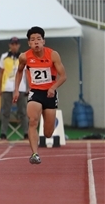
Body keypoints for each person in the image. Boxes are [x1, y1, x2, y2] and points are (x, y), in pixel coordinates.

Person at [13, 26, 68, 164]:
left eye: (38, 39)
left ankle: (46, 123)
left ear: (43, 41)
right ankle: (34, 154)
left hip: (50, 94)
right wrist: (16, 90)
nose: (36, 42)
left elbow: (63, 76)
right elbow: (19, 72)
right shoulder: (24, 57)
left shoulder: (53, 55)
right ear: (29, 43)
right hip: (35, 92)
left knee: (48, 133)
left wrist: (53, 87)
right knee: (32, 120)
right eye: (33, 40)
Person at [0, 37, 28, 140]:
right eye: (12, 44)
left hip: (21, 87)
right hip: (7, 87)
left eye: (16, 44)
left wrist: (29, 86)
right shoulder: (4, 57)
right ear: (9, 45)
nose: (14, 46)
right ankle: (3, 133)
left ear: (19, 45)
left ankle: (26, 133)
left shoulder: (24, 56)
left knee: (23, 111)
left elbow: (27, 72)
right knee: (6, 111)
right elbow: (1, 73)